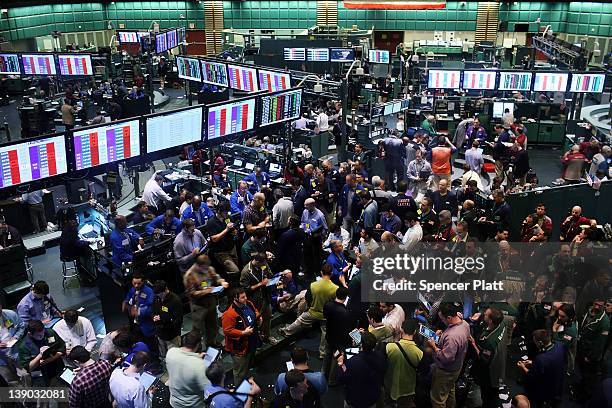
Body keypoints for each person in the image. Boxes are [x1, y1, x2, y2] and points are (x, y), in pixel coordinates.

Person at [279, 265, 338, 360]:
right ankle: (322, 354)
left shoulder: (313, 285)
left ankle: (286, 331)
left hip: (313, 311)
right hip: (325, 315)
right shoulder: (335, 288)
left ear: (321, 272)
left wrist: (311, 306)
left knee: (299, 321)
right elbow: (335, 303)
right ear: (331, 273)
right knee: (325, 333)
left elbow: (308, 298)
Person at [428, 302, 470, 408]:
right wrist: (442, 337)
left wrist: (433, 346)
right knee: (449, 391)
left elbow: (446, 358)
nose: (442, 321)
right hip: (457, 368)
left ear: (449, 317)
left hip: (446, 371)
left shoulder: (452, 337)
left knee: (438, 399)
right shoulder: (464, 324)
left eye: (443, 319)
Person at [184, 255, 228, 348]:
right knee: (198, 329)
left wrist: (221, 281)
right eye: (205, 267)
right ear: (199, 265)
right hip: (198, 306)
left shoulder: (208, 268)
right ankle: (197, 347)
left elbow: (216, 277)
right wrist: (207, 291)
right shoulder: (190, 275)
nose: (208, 269)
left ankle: (211, 343)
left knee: (212, 325)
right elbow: (192, 293)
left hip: (210, 302)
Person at [337, 331, 387, 408]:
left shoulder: (353, 362)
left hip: (355, 399)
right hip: (372, 398)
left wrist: (341, 364)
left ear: (361, 345)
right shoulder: (381, 357)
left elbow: (342, 378)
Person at [469, 307, 508, 407]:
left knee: (487, 396)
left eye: (485, 314)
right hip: (500, 363)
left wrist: (473, 344)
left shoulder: (489, 341)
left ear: (490, 321)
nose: (483, 315)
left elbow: (483, 360)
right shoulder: (502, 323)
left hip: (490, 375)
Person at [517, 329, 566, 408]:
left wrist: (522, 367)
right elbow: (551, 362)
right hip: (558, 382)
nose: (534, 344)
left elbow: (531, 375)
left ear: (540, 343)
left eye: (535, 342)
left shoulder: (540, 359)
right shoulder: (559, 345)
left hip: (544, 389)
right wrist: (533, 362)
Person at [222, 288, 261, 381]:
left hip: (251, 342)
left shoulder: (248, 303)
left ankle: (247, 380)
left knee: (247, 365)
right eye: (243, 297)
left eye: (245, 296)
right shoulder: (229, 314)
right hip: (239, 347)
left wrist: (259, 317)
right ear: (235, 299)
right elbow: (227, 330)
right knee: (239, 372)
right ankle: (240, 391)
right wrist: (243, 333)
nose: (246, 298)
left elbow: (255, 311)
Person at [385, 319, 424, 408]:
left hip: (390, 387)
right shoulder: (420, 352)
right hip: (408, 390)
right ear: (414, 332)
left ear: (401, 330)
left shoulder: (389, 347)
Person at [165, 330, 209, 408]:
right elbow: (206, 387)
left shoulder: (171, 353)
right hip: (192, 405)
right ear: (198, 344)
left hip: (174, 403)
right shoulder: (199, 365)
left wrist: (196, 356)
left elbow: (182, 360)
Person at [17, 319, 65, 386]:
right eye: (39, 336)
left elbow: (62, 348)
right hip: (40, 373)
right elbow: (28, 368)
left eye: (43, 333)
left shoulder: (49, 332)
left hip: (57, 366)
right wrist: (40, 355)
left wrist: (51, 359)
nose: (42, 336)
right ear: (30, 334)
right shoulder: (24, 346)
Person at [122, 272, 156, 355]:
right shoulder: (132, 289)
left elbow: (151, 307)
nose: (136, 285)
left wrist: (139, 311)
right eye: (134, 283)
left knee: (151, 345)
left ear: (143, 282)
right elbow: (128, 298)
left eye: (139, 283)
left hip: (147, 324)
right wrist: (125, 303)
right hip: (136, 324)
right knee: (140, 343)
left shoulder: (149, 292)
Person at [152, 280, 183, 359]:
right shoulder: (157, 298)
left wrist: (162, 319)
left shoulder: (175, 301)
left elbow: (178, 321)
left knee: (174, 358)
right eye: (158, 295)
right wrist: (154, 317)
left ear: (166, 289)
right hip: (160, 334)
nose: (160, 297)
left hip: (172, 336)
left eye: (161, 294)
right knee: (164, 356)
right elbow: (153, 311)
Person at [0, 302, 24, 385]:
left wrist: (16, 336)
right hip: (1, 359)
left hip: (15, 351)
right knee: (11, 381)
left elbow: (21, 326)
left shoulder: (10, 314)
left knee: (25, 375)